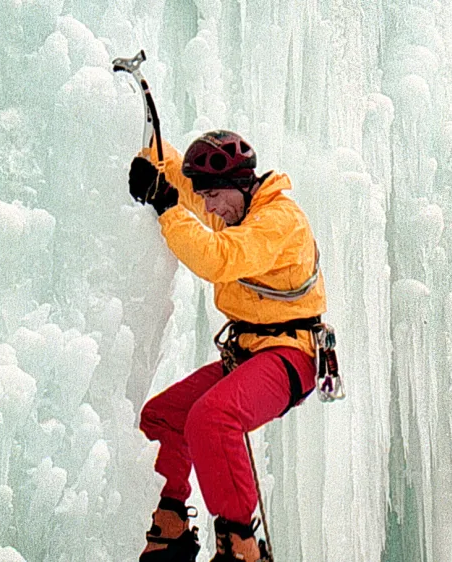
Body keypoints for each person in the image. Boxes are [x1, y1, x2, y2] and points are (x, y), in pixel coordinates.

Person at [127, 130, 327, 562]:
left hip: (291, 355)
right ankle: (172, 526)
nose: (210, 207)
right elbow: (185, 186)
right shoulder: (237, 210)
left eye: (215, 195)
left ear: (242, 184)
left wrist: (166, 210)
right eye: (206, 197)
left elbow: (217, 259)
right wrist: (154, 160)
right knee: (164, 418)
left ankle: (241, 546)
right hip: (251, 353)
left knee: (212, 419)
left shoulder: (278, 221)